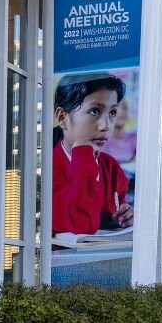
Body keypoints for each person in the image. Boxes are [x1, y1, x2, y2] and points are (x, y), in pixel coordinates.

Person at [52, 73, 133, 236]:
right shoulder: (46, 166)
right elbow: (81, 225)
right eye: (95, 111)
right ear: (62, 117)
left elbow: (113, 216)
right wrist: (82, 154)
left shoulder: (110, 166)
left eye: (112, 113)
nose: (106, 126)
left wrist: (126, 216)